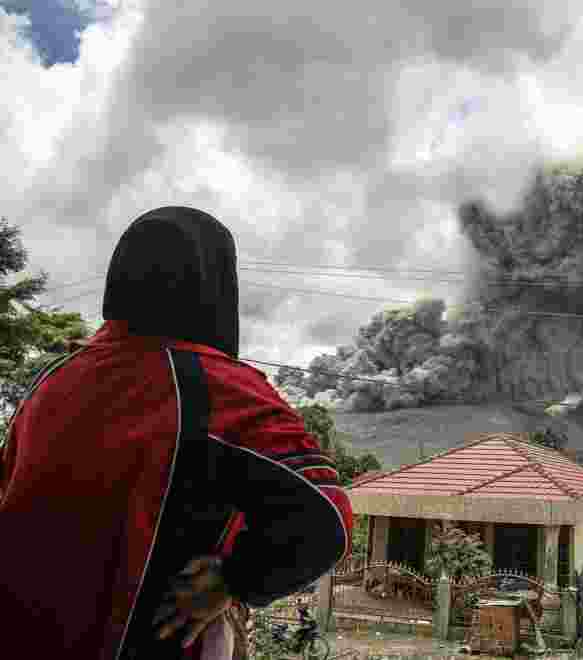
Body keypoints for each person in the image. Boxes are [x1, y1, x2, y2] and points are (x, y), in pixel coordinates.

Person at [0, 207, 353, 659]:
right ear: (217, 284)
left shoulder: (53, 379)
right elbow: (326, 515)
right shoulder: (216, 388)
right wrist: (237, 578)